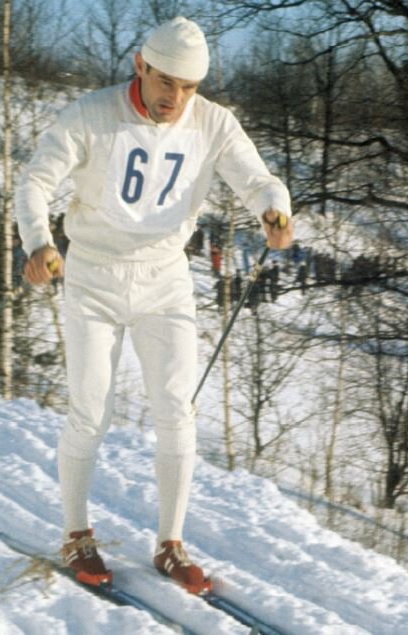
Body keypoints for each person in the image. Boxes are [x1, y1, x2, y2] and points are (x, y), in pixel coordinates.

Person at [15, 17, 293, 594]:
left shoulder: (213, 122)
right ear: (141, 66)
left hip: (164, 278)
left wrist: (274, 207)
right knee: (91, 410)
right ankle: (76, 534)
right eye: (166, 81)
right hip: (94, 275)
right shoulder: (93, 114)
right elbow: (35, 182)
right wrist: (39, 242)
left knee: (175, 409)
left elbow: (257, 179)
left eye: (189, 87)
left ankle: (170, 543)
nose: (176, 98)